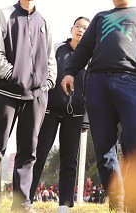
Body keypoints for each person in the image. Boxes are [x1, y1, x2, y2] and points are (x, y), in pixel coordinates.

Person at [61, 0, 136, 212]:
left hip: (132, 81)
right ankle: (117, 201)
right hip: (97, 83)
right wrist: (70, 71)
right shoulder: (100, 18)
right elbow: (84, 49)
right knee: (104, 146)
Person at [0, 0, 56, 211]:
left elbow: (51, 58)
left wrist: (47, 83)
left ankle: (22, 202)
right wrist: (14, 76)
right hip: (6, 93)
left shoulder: (45, 21)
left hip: (36, 97)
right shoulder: (4, 15)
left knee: (28, 151)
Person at [30, 16, 90, 213]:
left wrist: (87, 119)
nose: (81, 30)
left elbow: (92, 89)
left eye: (85, 28)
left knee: (69, 159)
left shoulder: (92, 56)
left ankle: (64, 204)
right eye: (78, 26)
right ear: (71, 28)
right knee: (39, 154)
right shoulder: (57, 48)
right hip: (49, 110)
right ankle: (27, 199)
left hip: (75, 114)